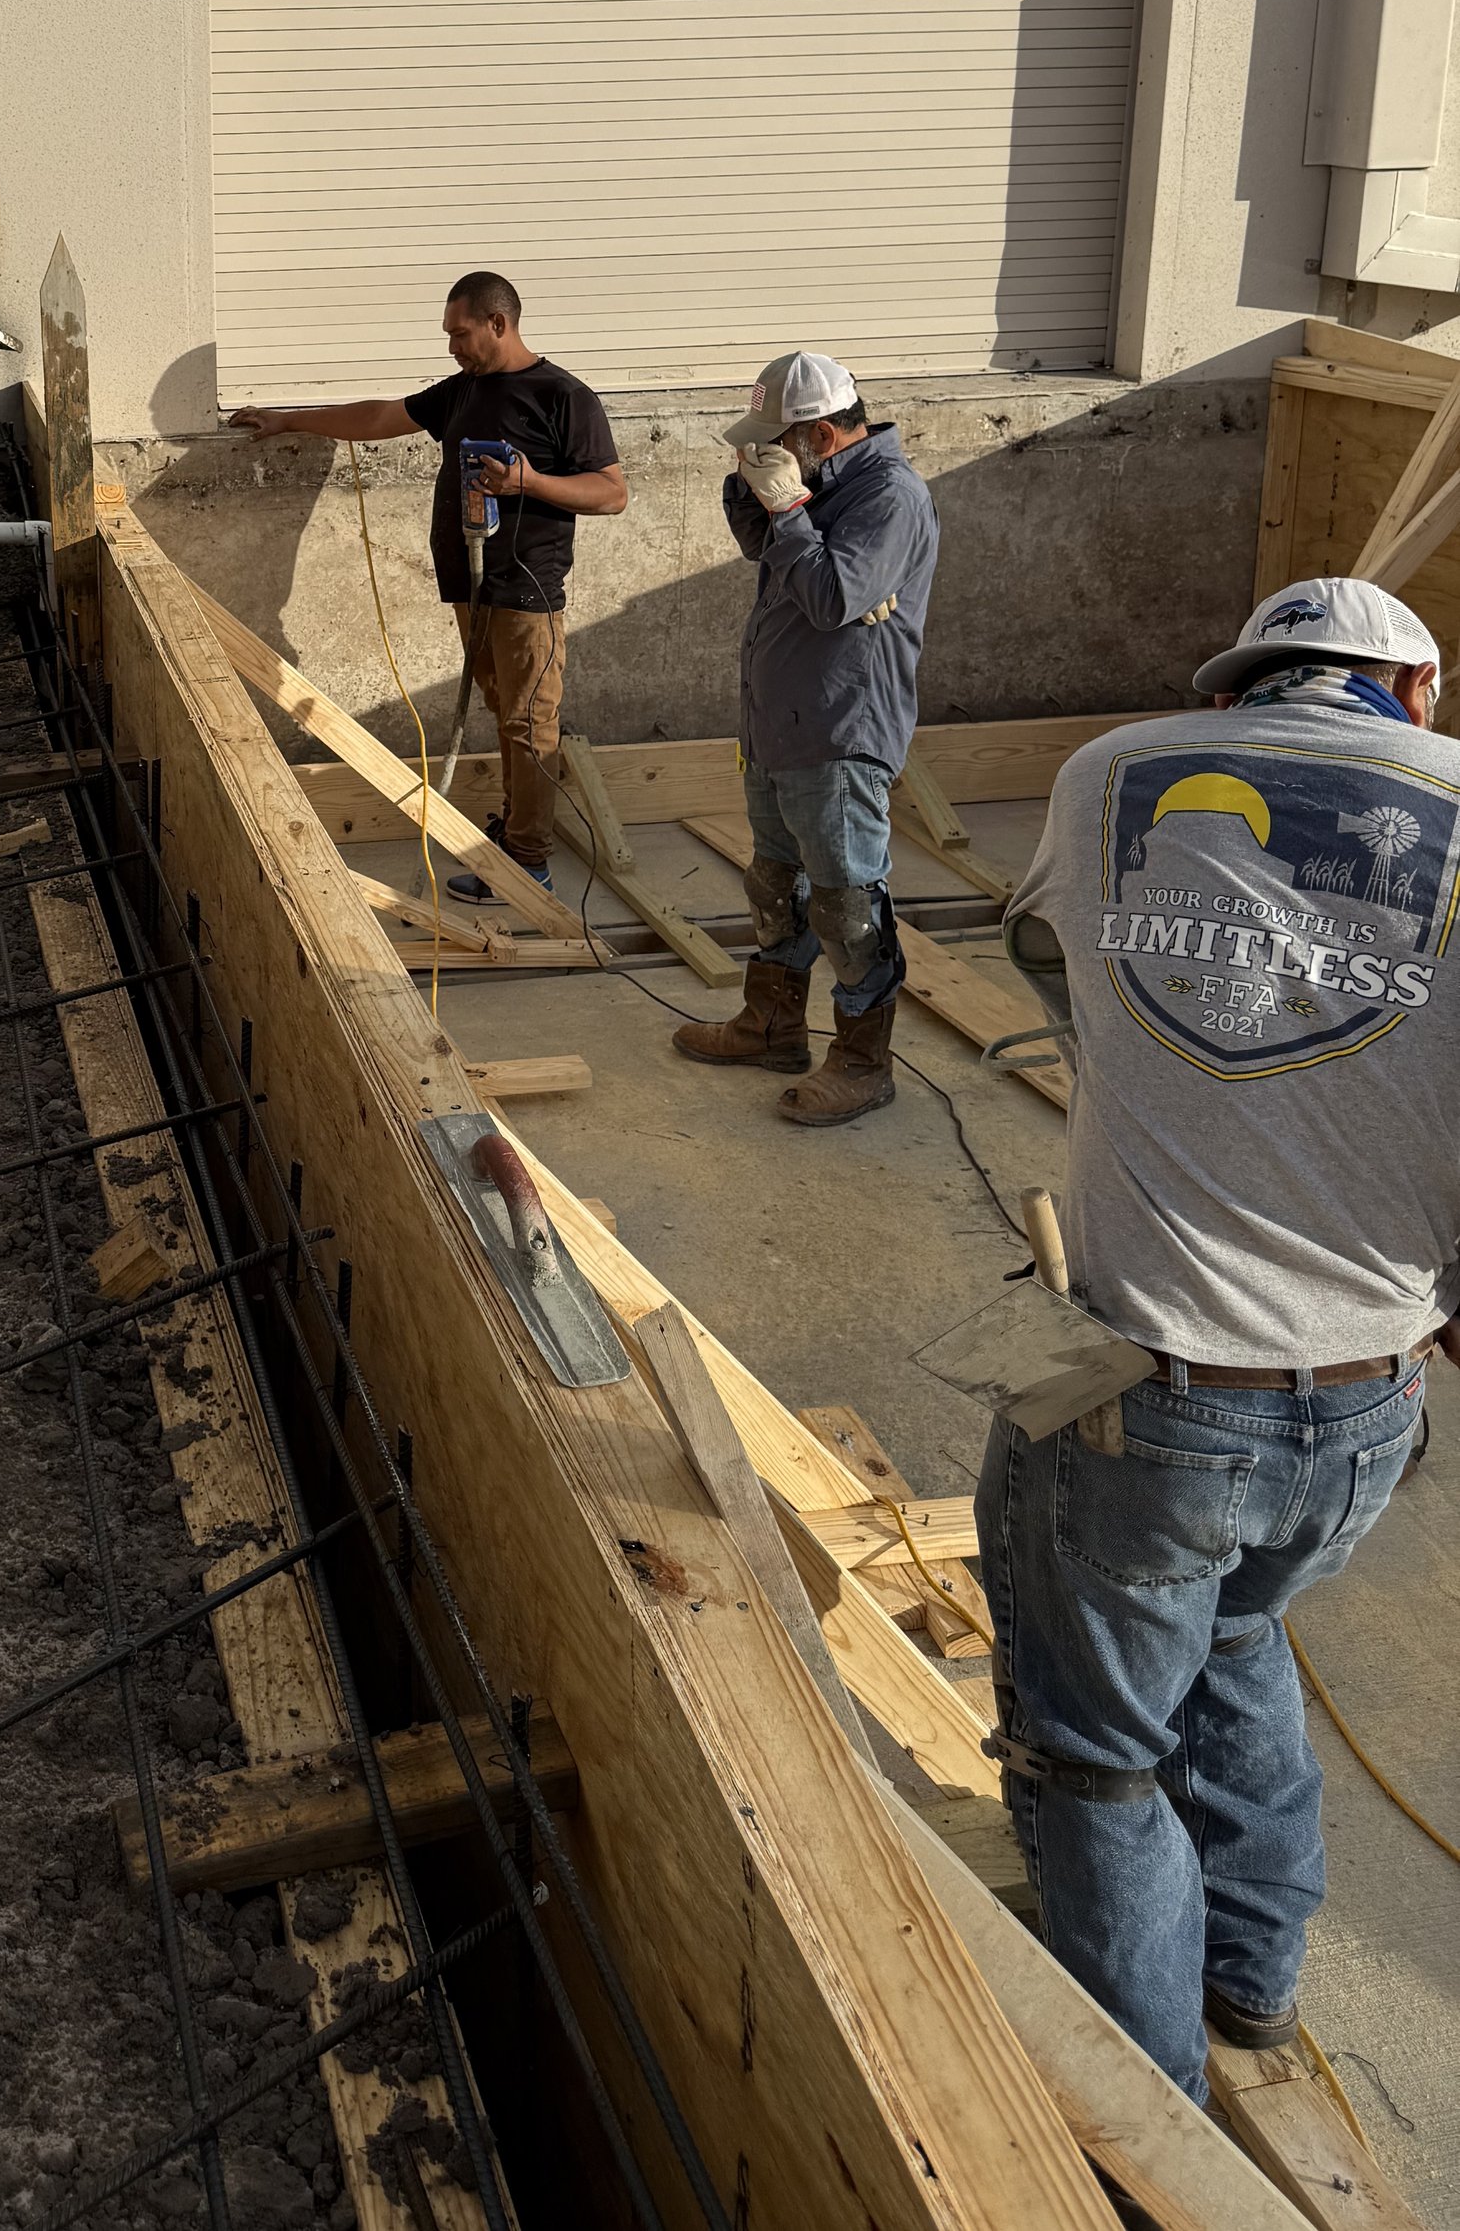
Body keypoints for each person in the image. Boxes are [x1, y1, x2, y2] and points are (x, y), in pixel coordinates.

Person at [980, 577, 1460, 2103]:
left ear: (1241, 687)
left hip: (1152, 1397)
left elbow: (1050, 962)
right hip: (1372, 1403)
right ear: (1418, 689)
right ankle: (1250, 1980)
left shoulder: (1108, 770)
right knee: (1243, 1630)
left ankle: (1153, 2128)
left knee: (1098, 1757)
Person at [227, 272, 625, 890]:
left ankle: (529, 863)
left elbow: (611, 493)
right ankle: (519, 826)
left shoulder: (563, 396)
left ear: (499, 323)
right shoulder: (465, 390)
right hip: (471, 585)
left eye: (460, 334)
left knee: (529, 719)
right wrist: (291, 421)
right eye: (449, 335)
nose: (452, 347)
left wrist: (528, 484)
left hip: (526, 588)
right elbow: (386, 414)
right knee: (503, 709)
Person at [672, 349, 936, 1122]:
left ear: (821, 434)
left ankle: (862, 1061)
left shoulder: (891, 497)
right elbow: (764, 548)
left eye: (775, 441)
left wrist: (791, 513)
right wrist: (754, 489)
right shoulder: (822, 482)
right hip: (779, 726)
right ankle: (773, 1024)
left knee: (847, 904)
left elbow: (829, 597)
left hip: (838, 729)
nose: (765, 455)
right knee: (775, 886)